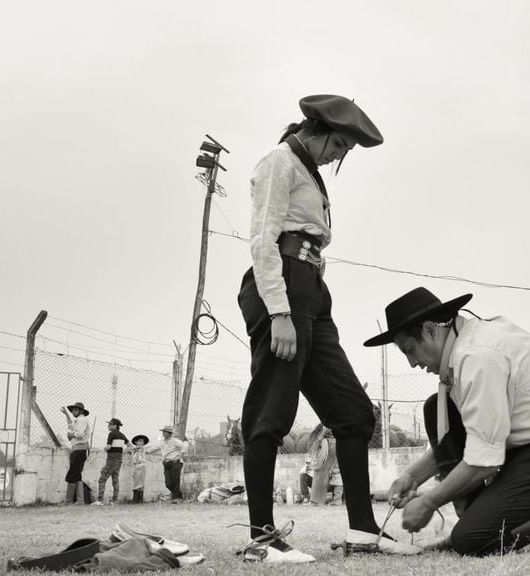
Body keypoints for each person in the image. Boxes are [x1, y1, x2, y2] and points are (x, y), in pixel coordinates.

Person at [236, 94, 417, 563]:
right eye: (338, 145)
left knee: (354, 414)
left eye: (346, 151)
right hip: (284, 287)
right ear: (316, 130)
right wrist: (278, 312)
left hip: (312, 291)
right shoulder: (280, 161)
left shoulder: (310, 172)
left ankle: (362, 531)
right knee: (272, 411)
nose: (339, 155)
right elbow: (262, 240)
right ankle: (261, 540)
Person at [364, 287, 530, 556]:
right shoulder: (466, 348)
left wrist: (429, 502)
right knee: (436, 408)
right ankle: (477, 521)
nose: (412, 363)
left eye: (411, 350)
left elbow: (484, 460)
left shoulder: (477, 357)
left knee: (472, 541)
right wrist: (412, 477)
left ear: (430, 330)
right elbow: (476, 436)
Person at [60, 402, 91, 504]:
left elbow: (80, 435)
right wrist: (66, 414)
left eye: (75, 410)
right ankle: (80, 500)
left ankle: (69, 501)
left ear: (81, 411)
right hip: (80, 449)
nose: (73, 411)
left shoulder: (81, 420)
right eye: (72, 410)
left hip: (79, 449)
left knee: (72, 474)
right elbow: (71, 425)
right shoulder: (79, 420)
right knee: (77, 474)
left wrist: (70, 434)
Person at [94, 418, 128, 506]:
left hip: (111, 459)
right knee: (115, 480)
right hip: (119, 460)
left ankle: (100, 500)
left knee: (102, 479)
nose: (108, 426)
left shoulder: (111, 434)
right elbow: (129, 446)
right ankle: (114, 501)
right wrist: (122, 453)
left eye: (110, 424)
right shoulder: (122, 435)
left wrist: (104, 449)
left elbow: (108, 447)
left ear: (115, 426)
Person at [154, 426, 185, 502]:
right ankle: (179, 495)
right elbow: (155, 448)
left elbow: (185, 446)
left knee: (175, 481)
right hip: (166, 463)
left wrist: (178, 456)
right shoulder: (162, 442)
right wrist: (145, 450)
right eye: (163, 432)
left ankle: (176, 498)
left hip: (175, 462)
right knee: (168, 483)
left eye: (165, 432)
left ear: (169, 433)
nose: (163, 433)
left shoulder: (175, 441)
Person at [129, 434, 150, 504]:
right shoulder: (134, 449)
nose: (141, 443)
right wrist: (135, 449)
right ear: (136, 442)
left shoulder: (143, 449)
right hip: (137, 466)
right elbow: (130, 450)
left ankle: (139, 500)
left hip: (142, 466)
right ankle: (136, 499)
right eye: (139, 441)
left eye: (142, 442)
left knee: (141, 482)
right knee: (137, 482)